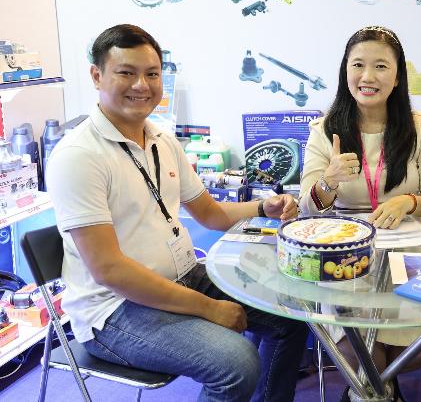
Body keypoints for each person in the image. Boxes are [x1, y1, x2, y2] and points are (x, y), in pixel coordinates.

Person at [46, 24, 308, 402]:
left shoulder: (161, 139)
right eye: (126, 72)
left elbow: (210, 213)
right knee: (236, 364)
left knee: (290, 316)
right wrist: (209, 308)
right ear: (96, 75)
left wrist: (261, 207)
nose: (142, 85)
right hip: (114, 309)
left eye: (152, 74)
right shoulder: (78, 156)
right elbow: (110, 271)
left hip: (183, 277)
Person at [298, 26, 421, 385]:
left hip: (411, 255)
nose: (368, 76)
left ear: (397, 77)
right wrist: (329, 181)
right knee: (364, 354)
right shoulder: (324, 129)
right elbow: (306, 209)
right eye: (358, 65)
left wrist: (409, 202)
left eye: (381, 66)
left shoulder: (420, 128)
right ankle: (377, 389)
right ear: (345, 71)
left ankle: (372, 388)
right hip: (347, 260)